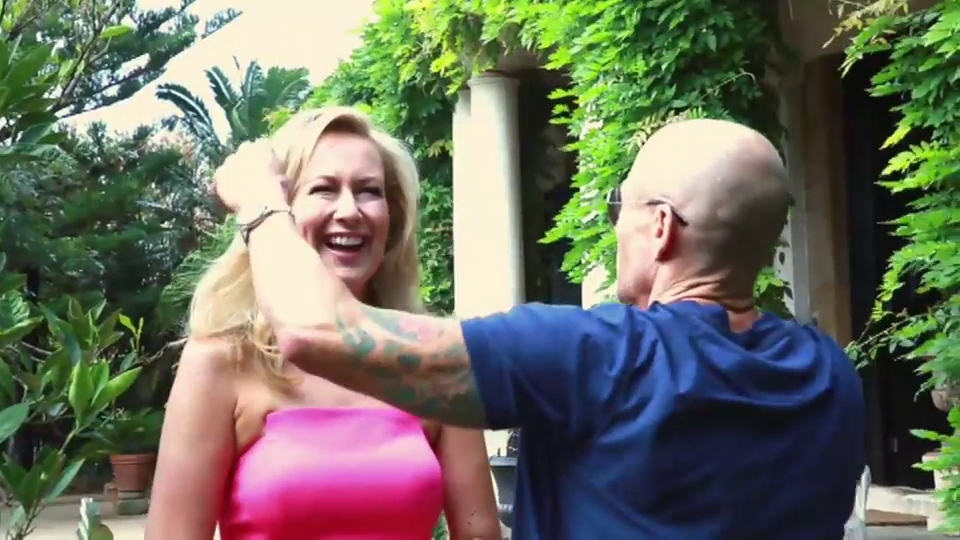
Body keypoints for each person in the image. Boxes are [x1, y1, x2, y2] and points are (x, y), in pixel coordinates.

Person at [213, 118, 866, 539]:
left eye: (620, 205)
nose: (616, 225)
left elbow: (317, 331)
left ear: (661, 227)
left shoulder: (589, 354)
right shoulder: (829, 375)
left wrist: (262, 203)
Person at [147, 107, 501, 540]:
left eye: (369, 191)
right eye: (324, 189)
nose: (350, 211)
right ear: (278, 214)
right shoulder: (221, 362)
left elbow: (479, 533)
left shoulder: (432, 358)